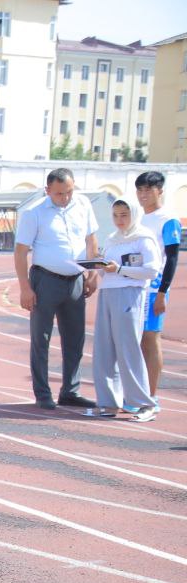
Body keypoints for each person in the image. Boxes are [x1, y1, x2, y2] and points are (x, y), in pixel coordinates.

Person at [14, 167, 100, 409]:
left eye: (70, 192)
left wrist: (93, 272)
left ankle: (70, 391)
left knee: (75, 338)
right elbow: (21, 252)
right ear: (48, 190)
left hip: (75, 280)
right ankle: (43, 393)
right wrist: (25, 288)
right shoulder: (34, 213)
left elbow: (91, 240)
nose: (66, 198)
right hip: (45, 280)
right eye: (60, 193)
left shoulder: (83, 205)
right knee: (41, 338)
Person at [85, 198, 160, 421]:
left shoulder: (143, 238)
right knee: (104, 349)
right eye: (116, 215)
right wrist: (98, 265)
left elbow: (152, 270)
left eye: (124, 215)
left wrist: (120, 269)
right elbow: (107, 270)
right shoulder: (111, 239)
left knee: (128, 349)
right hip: (108, 293)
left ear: (134, 214)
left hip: (129, 294)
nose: (120, 220)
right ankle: (108, 403)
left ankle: (144, 404)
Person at [134, 170, 180, 412]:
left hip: (154, 287)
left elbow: (172, 257)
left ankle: (151, 396)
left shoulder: (168, 219)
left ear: (159, 191)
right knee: (137, 339)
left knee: (151, 339)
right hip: (135, 286)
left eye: (148, 190)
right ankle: (139, 393)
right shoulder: (137, 219)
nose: (143, 195)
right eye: (139, 190)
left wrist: (163, 292)